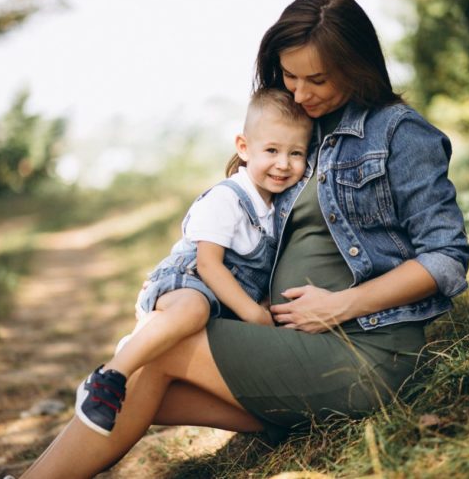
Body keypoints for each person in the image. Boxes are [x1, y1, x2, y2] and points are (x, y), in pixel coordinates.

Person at [21, 0, 469, 476]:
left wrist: (341, 305)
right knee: (145, 374)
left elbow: (447, 257)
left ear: (356, 66)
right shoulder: (301, 130)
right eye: (289, 77)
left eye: (316, 79)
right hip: (298, 345)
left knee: (158, 349)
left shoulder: (400, 135)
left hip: (365, 350)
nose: (299, 94)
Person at [75, 88, 312, 436]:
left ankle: (145, 351)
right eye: (272, 150)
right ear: (244, 148)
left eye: (296, 153)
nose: (283, 163)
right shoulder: (228, 198)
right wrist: (251, 313)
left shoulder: (278, 208)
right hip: (187, 282)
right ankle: (112, 375)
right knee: (194, 310)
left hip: (219, 302)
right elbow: (208, 265)